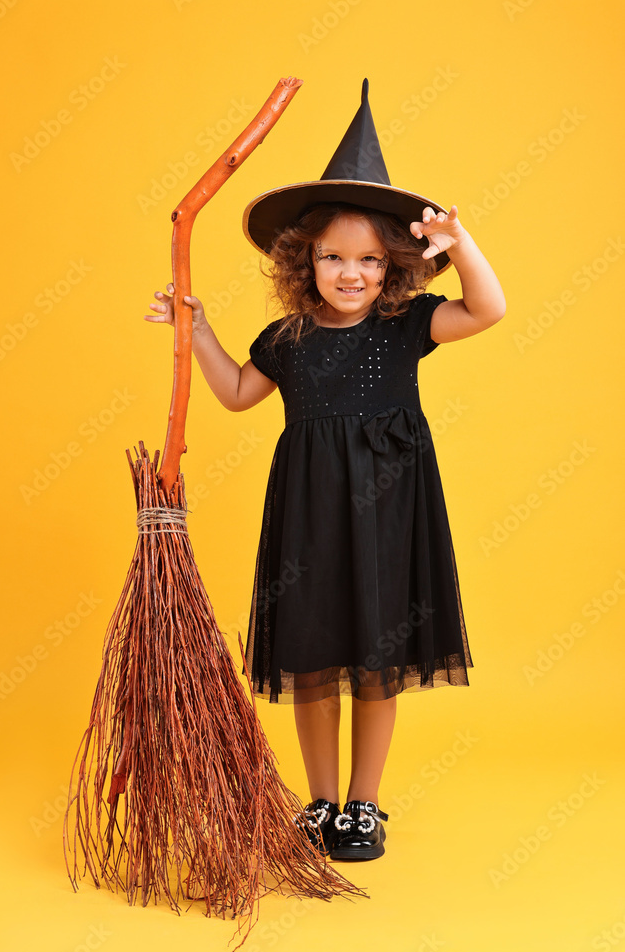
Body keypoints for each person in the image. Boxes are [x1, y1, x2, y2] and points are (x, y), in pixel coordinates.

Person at [144, 81, 506, 863]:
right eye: (333, 257)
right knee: (311, 658)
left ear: (394, 268)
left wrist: (462, 241)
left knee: (378, 658)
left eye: (369, 260)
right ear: (302, 259)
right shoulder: (287, 337)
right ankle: (318, 803)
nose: (350, 273)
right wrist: (197, 330)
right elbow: (239, 395)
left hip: (390, 510)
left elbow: (488, 309)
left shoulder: (407, 325)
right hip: (309, 513)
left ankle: (364, 806)